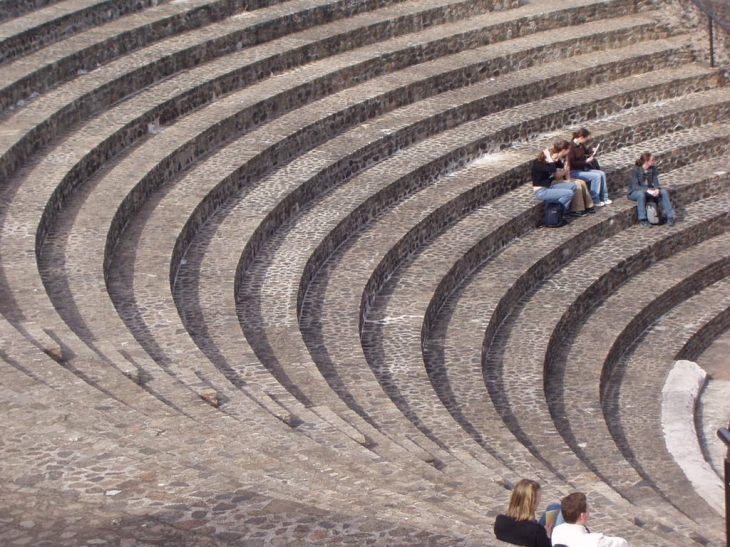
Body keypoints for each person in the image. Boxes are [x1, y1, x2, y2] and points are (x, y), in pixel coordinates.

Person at [551, 492, 629, 547]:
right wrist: (601, 538)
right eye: (588, 507)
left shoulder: (556, 531)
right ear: (583, 515)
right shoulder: (595, 541)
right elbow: (623, 543)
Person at [494, 479, 553, 547]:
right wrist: (547, 536)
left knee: (553, 507)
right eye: (538, 497)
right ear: (531, 501)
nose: (540, 500)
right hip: (537, 536)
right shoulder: (537, 531)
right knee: (556, 508)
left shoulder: (500, 521)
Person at [628, 152, 676, 227]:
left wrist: (657, 188)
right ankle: (643, 219)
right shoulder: (635, 170)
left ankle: (670, 216)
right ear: (647, 161)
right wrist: (647, 190)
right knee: (641, 194)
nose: (654, 162)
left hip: (648, 191)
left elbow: (655, 181)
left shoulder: (652, 169)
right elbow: (635, 186)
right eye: (652, 160)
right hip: (634, 192)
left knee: (663, 191)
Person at [568, 128, 611, 207]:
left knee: (602, 174)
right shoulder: (571, 148)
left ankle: (604, 197)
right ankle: (595, 199)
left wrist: (592, 150)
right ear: (581, 137)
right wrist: (585, 162)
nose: (586, 140)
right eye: (586, 138)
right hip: (574, 171)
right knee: (596, 176)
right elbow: (572, 163)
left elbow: (586, 152)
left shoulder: (580, 145)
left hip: (582, 169)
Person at [550, 140, 595, 215]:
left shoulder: (565, 157)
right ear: (564, 150)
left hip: (562, 177)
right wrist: (565, 173)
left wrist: (569, 179)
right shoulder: (555, 158)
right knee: (577, 185)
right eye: (568, 149)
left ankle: (588, 205)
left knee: (581, 182)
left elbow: (567, 169)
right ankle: (576, 208)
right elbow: (557, 175)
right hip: (555, 180)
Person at [531, 143, 577, 215]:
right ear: (547, 158)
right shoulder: (538, 164)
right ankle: (557, 212)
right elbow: (552, 169)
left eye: (557, 158)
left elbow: (561, 165)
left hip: (548, 187)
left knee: (573, 186)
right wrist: (550, 158)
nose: (556, 160)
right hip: (541, 191)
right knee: (569, 193)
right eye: (555, 158)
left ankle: (561, 209)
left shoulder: (550, 162)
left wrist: (561, 157)